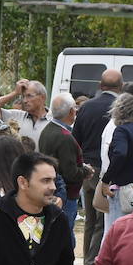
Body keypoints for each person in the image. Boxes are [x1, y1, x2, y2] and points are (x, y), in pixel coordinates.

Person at [73, 69, 122, 265]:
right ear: (120, 87)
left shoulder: (86, 107)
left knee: (91, 222)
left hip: (87, 169)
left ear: (100, 86)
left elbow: (76, 140)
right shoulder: (118, 110)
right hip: (106, 172)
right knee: (103, 224)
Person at [100, 92, 133, 234]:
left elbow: (120, 153)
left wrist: (106, 180)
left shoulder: (122, 131)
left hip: (122, 189)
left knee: (115, 233)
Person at [37, 94, 85, 231]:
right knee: (66, 233)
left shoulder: (47, 130)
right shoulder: (65, 137)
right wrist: (85, 171)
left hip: (53, 191)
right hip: (66, 195)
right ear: (71, 111)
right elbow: (70, 173)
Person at [0, 80, 52, 144]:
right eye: (23, 96)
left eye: (29, 96)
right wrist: (15, 93)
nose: (25, 101)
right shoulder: (17, 116)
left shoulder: (54, 120)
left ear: (42, 97)